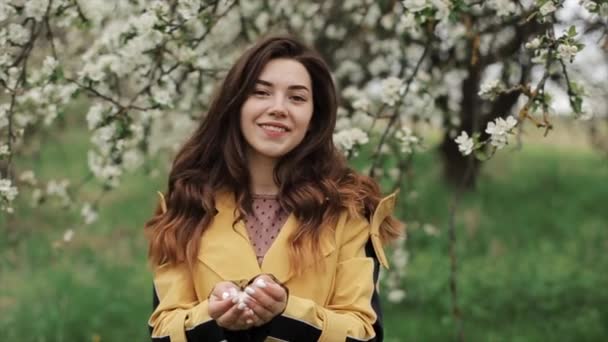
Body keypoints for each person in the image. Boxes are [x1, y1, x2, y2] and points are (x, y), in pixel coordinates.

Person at [144, 35, 403, 342]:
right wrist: (213, 318)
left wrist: (286, 312)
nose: (278, 108)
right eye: (261, 93)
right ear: (236, 103)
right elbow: (163, 330)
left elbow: (364, 333)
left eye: (296, 98)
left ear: (314, 115)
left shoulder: (347, 208)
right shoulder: (191, 201)